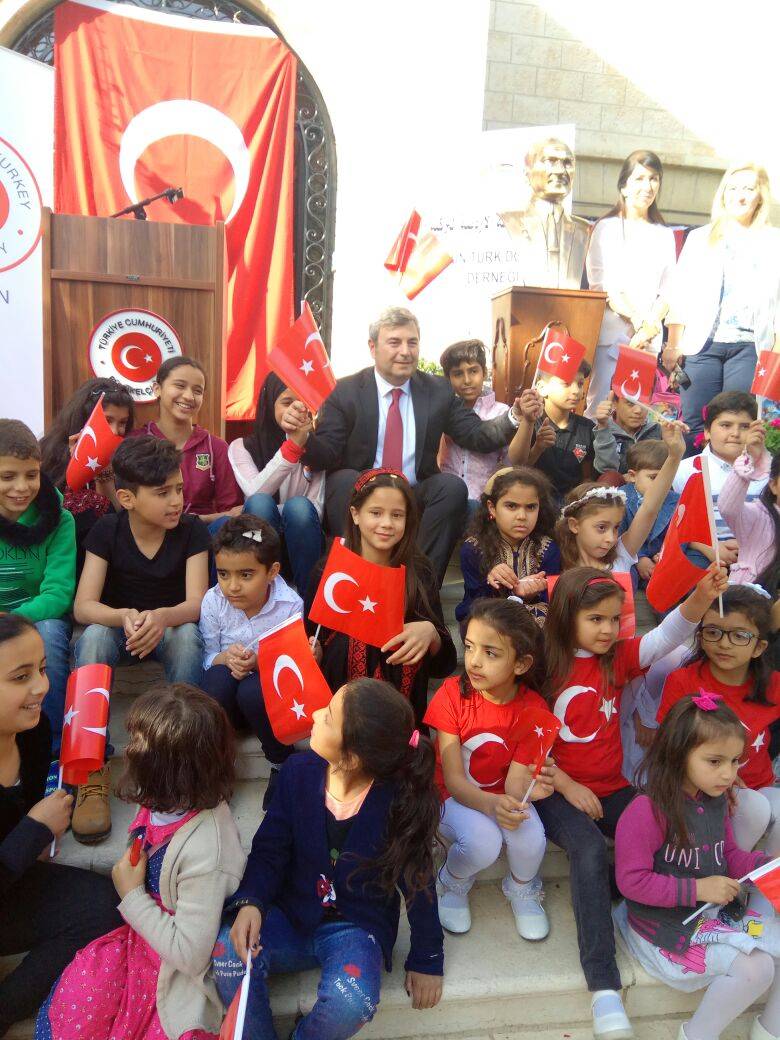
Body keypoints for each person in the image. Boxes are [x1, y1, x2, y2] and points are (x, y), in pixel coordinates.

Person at [536, 563, 728, 1039]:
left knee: (670, 822)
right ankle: (603, 985)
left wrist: (702, 596)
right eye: (594, 619)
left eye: (612, 618)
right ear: (565, 617)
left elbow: (667, 636)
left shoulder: (616, 658)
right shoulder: (542, 665)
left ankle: (653, 907)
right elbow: (527, 747)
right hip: (553, 790)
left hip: (613, 787)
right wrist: (568, 786)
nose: (607, 629)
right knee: (586, 848)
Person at [212, 678, 444, 1040]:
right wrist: (251, 902)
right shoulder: (297, 773)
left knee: (353, 1001)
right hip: (289, 913)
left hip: (355, 926)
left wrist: (427, 957)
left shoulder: (399, 801)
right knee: (228, 952)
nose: (316, 713)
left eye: (329, 716)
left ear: (351, 757)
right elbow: (270, 848)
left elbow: (418, 881)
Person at [36, 683, 246, 1040]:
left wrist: (132, 895)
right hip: (136, 943)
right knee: (77, 1010)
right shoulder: (161, 798)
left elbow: (191, 955)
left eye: (138, 743)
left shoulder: (208, 851)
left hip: (172, 972)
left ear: (169, 770)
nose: (128, 750)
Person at [288, 306, 527, 585]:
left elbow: (476, 434)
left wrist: (515, 416)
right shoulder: (345, 391)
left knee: (451, 487)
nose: (405, 351)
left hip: (414, 491)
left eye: (412, 342)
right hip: (361, 489)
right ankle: (358, 580)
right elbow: (327, 453)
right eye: (395, 342)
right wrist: (302, 437)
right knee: (343, 479)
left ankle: (416, 586)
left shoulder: (438, 390)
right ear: (373, 347)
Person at [615, 696, 780, 1040]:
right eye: (715, 761)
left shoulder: (715, 799)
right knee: (757, 969)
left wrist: (766, 866)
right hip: (661, 931)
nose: (728, 773)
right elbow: (631, 881)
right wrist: (699, 889)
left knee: (771, 948)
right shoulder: (647, 810)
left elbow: (729, 855)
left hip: (704, 918)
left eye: (734, 761)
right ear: (678, 754)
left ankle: (769, 1030)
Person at [72, 436, 210, 844]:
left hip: (168, 629)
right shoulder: (107, 530)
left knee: (187, 637)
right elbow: (84, 606)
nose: (176, 501)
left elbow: (197, 603)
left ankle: (179, 756)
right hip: (122, 630)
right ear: (127, 498)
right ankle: (90, 767)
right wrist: (123, 617)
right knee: (94, 637)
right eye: (163, 492)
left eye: (179, 489)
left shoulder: (191, 531)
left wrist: (162, 617)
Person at [0, 614, 120, 1039]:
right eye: (21, 677)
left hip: (12, 881)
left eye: (42, 669)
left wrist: (37, 831)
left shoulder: (35, 733)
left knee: (106, 905)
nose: (42, 687)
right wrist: (34, 829)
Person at [425, 598, 555, 940]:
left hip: (498, 796)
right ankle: (452, 882)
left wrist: (532, 791)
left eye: (491, 653)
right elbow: (453, 780)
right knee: (483, 840)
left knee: (532, 837)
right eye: (469, 647)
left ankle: (522, 888)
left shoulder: (534, 709)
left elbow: (515, 785)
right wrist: (492, 806)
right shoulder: (452, 695)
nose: (474, 661)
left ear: (521, 663)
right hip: (451, 797)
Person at [306, 470, 456, 724]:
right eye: (376, 513)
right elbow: (311, 638)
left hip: (401, 713)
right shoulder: (329, 571)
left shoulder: (419, 572)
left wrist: (431, 633)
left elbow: (444, 664)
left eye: (397, 515)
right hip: (340, 710)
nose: (387, 523)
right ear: (355, 514)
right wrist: (313, 653)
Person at [658, 585, 779, 862]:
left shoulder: (773, 685)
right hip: (699, 791)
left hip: (758, 785)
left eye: (739, 635)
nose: (724, 644)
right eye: (713, 632)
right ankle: (722, 872)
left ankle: (763, 885)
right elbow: (668, 747)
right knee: (753, 808)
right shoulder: (683, 682)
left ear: (759, 647)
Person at [663, 162, 780, 440]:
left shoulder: (773, 241)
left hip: (749, 348)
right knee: (694, 424)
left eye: (748, 189)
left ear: (760, 195)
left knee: (737, 424)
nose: (739, 196)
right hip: (702, 346)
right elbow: (680, 293)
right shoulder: (700, 238)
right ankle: (692, 470)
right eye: (733, 188)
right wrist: (673, 344)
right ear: (723, 193)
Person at [200, 515, 302, 809]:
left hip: (267, 705)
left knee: (252, 689)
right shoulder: (213, 600)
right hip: (226, 707)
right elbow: (207, 655)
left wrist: (259, 663)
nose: (232, 586)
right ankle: (217, 763)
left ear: (272, 571)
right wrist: (224, 657)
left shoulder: (289, 604)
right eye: (223, 574)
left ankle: (281, 763)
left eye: (246, 575)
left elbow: (289, 667)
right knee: (217, 677)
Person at [0, 419, 74, 759]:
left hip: (36, 617)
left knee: (50, 634)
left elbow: (58, 593)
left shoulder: (59, 519)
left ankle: (53, 747)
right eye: (7, 477)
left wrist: (10, 620)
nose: (21, 487)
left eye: (31, 475)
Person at [585, 150, 676, 417]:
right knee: (600, 408)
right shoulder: (607, 228)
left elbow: (668, 290)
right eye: (639, 178)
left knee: (635, 413)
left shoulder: (664, 235)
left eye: (654, 179)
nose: (647, 186)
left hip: (647, 339)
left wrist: (648, 327)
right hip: (612, 334)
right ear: (624, 186)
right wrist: (637, 319)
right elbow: (602, 286)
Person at [227, 373, 324, 595]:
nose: (296, 410)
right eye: (287, 402)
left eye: (303, 403)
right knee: (261, 504)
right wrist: (292, 448)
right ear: (270, 403)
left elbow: (316, 509)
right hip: (257, 539)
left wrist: (288, 512)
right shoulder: (241, 447)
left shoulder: (317, 449)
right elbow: (255, 493)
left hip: (302, 539)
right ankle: (262, 598)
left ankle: (309, 604)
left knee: (299, 508)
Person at [556, 419, 686, 574]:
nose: (611, 538)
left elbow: (649, 508)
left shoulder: (621, 556)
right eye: (601, 527)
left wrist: (674, 456)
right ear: (574, 525)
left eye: (616, 528)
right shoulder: (558, 566)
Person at [134, 356, 242, 534]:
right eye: (180, 385)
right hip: (148, 536)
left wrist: (204, 522)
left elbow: (231, 513)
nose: (189, 396)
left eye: (197, 391)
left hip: (203, 536)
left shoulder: (216, 447)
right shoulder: (136, 442)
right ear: (157, 389)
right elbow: (129, 508)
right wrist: (204, 518)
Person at [39, 377, 135, 573]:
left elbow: (121, 522)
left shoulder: (127, 459)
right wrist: (78, 464)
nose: (115, 430)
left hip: (108, 564)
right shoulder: (48, 454)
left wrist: (103, 473)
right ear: (86, 418)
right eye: (108, 420)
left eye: (122, 423)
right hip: (56, 562)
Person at [456, 466, 560, 630]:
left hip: (533, 624)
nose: (522, 516)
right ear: (492, 508)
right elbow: (472, 604)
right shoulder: (474, 548)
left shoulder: (547, 548)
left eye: (531, 507)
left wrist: (532, 595)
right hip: (487, 621)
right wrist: (492, 581)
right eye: (511, 506)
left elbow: (554, 600)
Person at [672, 392, 766, 565]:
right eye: (726, 425)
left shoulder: (768, 472)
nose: (735, 433)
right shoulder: (683, 471)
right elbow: (674, 524)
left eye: (745, 426)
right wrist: (710, 547)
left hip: (760, 554)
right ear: (707, 431)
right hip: (703, 555)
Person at [437, 338, 527, 516]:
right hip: (447, 500)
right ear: (448, 378)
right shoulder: (443, 411)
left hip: (483, 503)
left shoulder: (502, 413)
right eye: (458, 374)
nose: (467, 380)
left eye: (473, 371)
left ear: (484, 372)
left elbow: (510, 463)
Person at [499, 136, 592, 290]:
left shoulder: (585, 230)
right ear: (527, 172)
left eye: (567, 163)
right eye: (550, 161)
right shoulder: (506, 222)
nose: (560, 171)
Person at [515, 368, 618, 504]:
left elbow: (593, 474)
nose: (576, 391)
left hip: (572, 503)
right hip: (534, 501)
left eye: (580, 384)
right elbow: (517, 469)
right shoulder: (530, 423)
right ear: (542, 388)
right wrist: (538, 448)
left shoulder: (586, 427)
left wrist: (603, 426)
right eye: (566, 383)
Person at [718, 420, 780, 588]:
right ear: (773, 485)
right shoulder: (759, 517)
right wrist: (751, 458)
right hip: (750, 599)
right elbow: (728, 509)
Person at [619, 441, 680, 589]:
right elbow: (618, 536)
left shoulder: (676, 500)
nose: (660, 483)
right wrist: (639, 558)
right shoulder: (620, 499)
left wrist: (665, 555)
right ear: (632, 476)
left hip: (663, 559)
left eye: (665, 477)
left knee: (677, 578)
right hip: (631, 559)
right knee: (626, 577)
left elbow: (680, 534)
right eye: (653, 477)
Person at [605, 392, 662, 475]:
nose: (638, 410)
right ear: (614, 402)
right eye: (630, 403)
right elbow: (603, 471)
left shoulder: (657, 430)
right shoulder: (601, 432)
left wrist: (675, 451)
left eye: (644, 402)